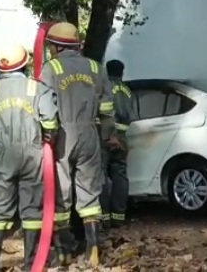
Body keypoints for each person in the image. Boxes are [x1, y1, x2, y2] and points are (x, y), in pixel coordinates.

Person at [0, 44, 58, 272]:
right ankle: (31, 262)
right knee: (31, 210)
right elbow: (50, 121)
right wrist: (49, 136)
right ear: (25, 63)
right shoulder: (36, 89)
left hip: (1, 156)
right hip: (32, 153)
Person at [39, 22, 116, 267]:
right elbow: (106, 106)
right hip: (89, 132)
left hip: (63, 133)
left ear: (57, 46)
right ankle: (93, 249)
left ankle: (64, 252)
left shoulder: (51, 68)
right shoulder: (96, 67)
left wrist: (48, 135)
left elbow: (45, 106)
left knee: (62, 194)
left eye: (52, 45)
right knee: (89, 190)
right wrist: (107, 134)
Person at [100, 59, 135, 230]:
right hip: (123, 137)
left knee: (103, 176)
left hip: (107, 136)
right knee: (120, 175)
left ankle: (104, 217)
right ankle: (119, 216)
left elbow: (105, 112)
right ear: (122, 72)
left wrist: (109, 135)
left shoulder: (105, 87)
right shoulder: (128, 90)